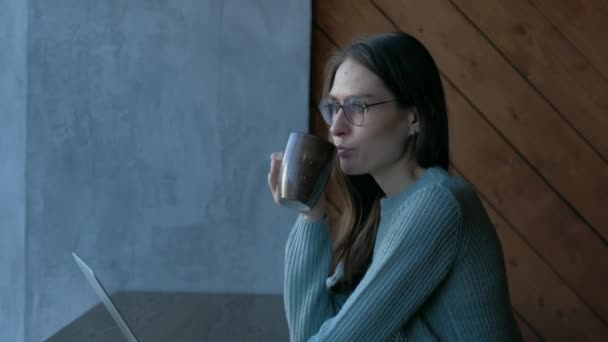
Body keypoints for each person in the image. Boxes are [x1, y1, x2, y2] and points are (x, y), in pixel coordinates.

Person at [267, 32, 522, 341]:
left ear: (414, 118)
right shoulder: (379, 215)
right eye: (334, 107)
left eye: (357, 106)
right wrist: (310, 214)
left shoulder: (437, 204)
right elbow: (307, 333)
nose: (336, 127)